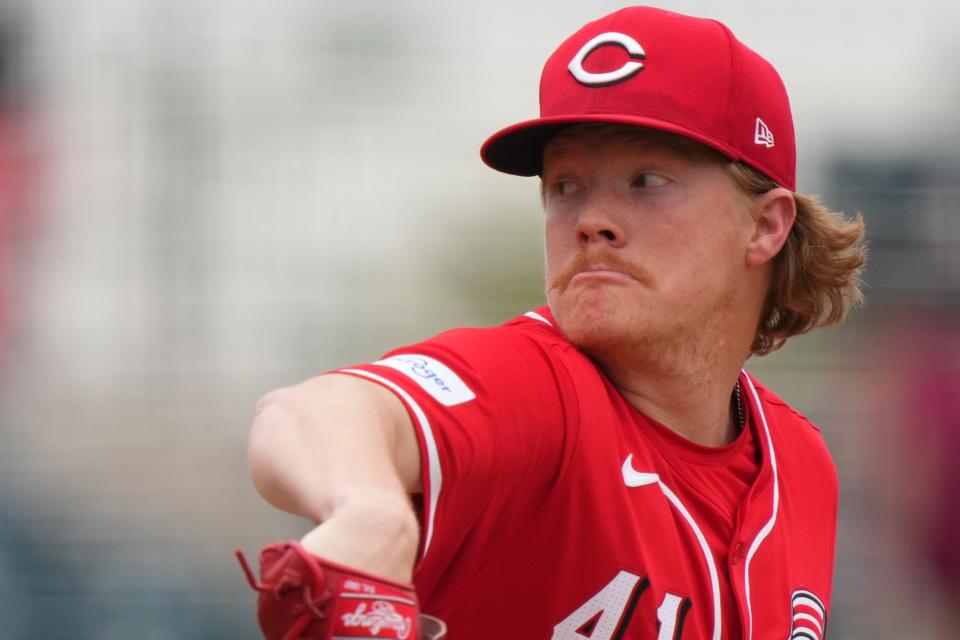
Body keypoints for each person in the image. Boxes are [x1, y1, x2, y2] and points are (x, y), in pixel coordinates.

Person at [236, 6, 866, 639]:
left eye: (646, 180)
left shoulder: (801, 461)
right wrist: (371, 511)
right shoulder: (539, 392)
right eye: (565, 186)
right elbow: (306, 413)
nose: (591, 218)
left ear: (764, 225)